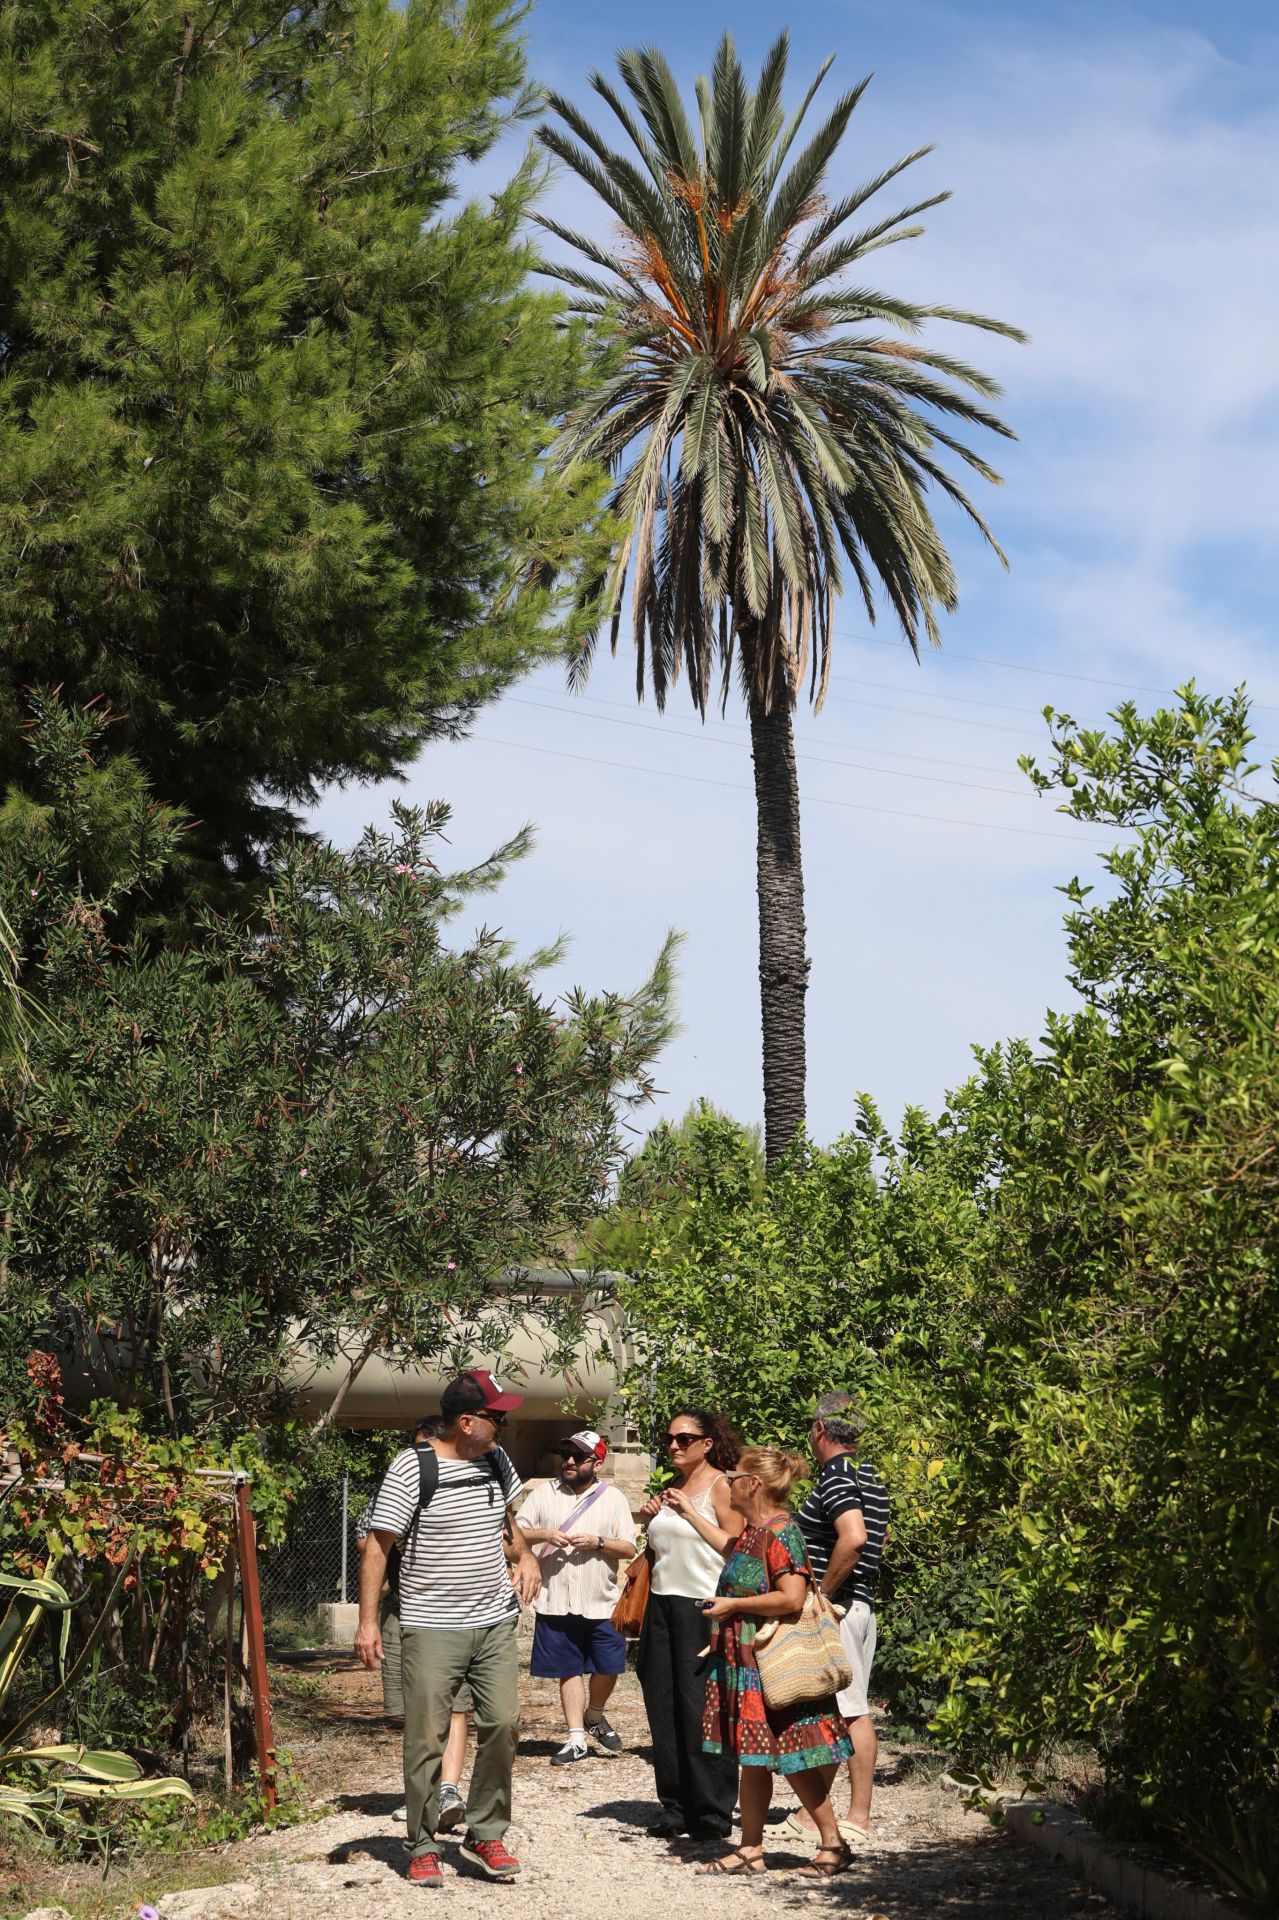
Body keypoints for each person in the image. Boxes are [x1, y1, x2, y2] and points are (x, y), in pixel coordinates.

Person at [355, 1369, 541, 1889]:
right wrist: (368, 1621)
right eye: (495, 1417)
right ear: (465, 1421)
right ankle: (420, 1844)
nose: (502, 1425)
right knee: (426, 1740)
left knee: (504, 1724)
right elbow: (378, 1545)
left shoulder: (496, 1460)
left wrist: (524, 1554)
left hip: (494, 1620)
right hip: (431, 1626)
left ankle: (485, 1832)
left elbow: (505, 1519)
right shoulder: (412, 1468)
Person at [672, 1445, 854, 1879]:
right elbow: (730, 1548)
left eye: (734, 1476)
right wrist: (690, 1516)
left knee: (792, 1756)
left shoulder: (780, 1531)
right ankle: (751, 1848)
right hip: (745, 1661)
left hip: (770, 1664)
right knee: (753, 1757)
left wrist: (732, 1605)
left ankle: (833, 1843)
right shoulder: (755, 1532)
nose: (727, 1482)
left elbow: (792, 1596)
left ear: (753, 1484)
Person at [355, 1416, 473, 1833]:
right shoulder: (400, 1481)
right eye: (418, 1448)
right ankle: (420, 1792)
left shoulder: (473, 1482)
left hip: (455, 1615)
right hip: (404, 1611)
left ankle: (449, 1790)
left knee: (457, 1705)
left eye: (431, 1447)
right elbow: (367, 1540)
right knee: (416, 1709)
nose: (424, 1457)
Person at [636, 1406, 741, 1840]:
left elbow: (735, 1547)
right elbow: (663, 1551)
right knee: (663, 1707)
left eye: (684, 1439)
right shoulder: (672, 1488)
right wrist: (651, 1519)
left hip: (703, 1606)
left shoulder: (723, 1486)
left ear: (706, 1443)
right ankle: (675, 1807)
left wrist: (690, 1515)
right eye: (670, 1439)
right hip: (661, 1605)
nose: (674, 1446)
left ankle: (712, 1812)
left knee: (703, 1709)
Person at [792, 1393, 891, 1847]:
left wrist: (823, 1592)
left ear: (819, 1430)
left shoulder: (835, 1476)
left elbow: (854, 1538)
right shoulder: (869, 1475)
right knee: (838, 1707)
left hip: (842, 1606)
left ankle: (859, 1817)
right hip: (861, 1603)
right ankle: (813, 1814)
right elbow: (880, 1537)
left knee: (852, 1711)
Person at [516, 1428, 637, 1765]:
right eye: (565, 1455)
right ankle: (575, 1739)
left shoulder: (614, 1498)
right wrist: (546, 1534)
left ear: (596, 1463)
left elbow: (629, 1546)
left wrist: (598, 1542)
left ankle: (594, 1716)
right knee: (567, 1669)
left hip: (602, 1601)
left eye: (578, 1457)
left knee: (609, 1666)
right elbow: (515, 1532)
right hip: (556, 1599)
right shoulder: (543, 1495)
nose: (569, 1461)